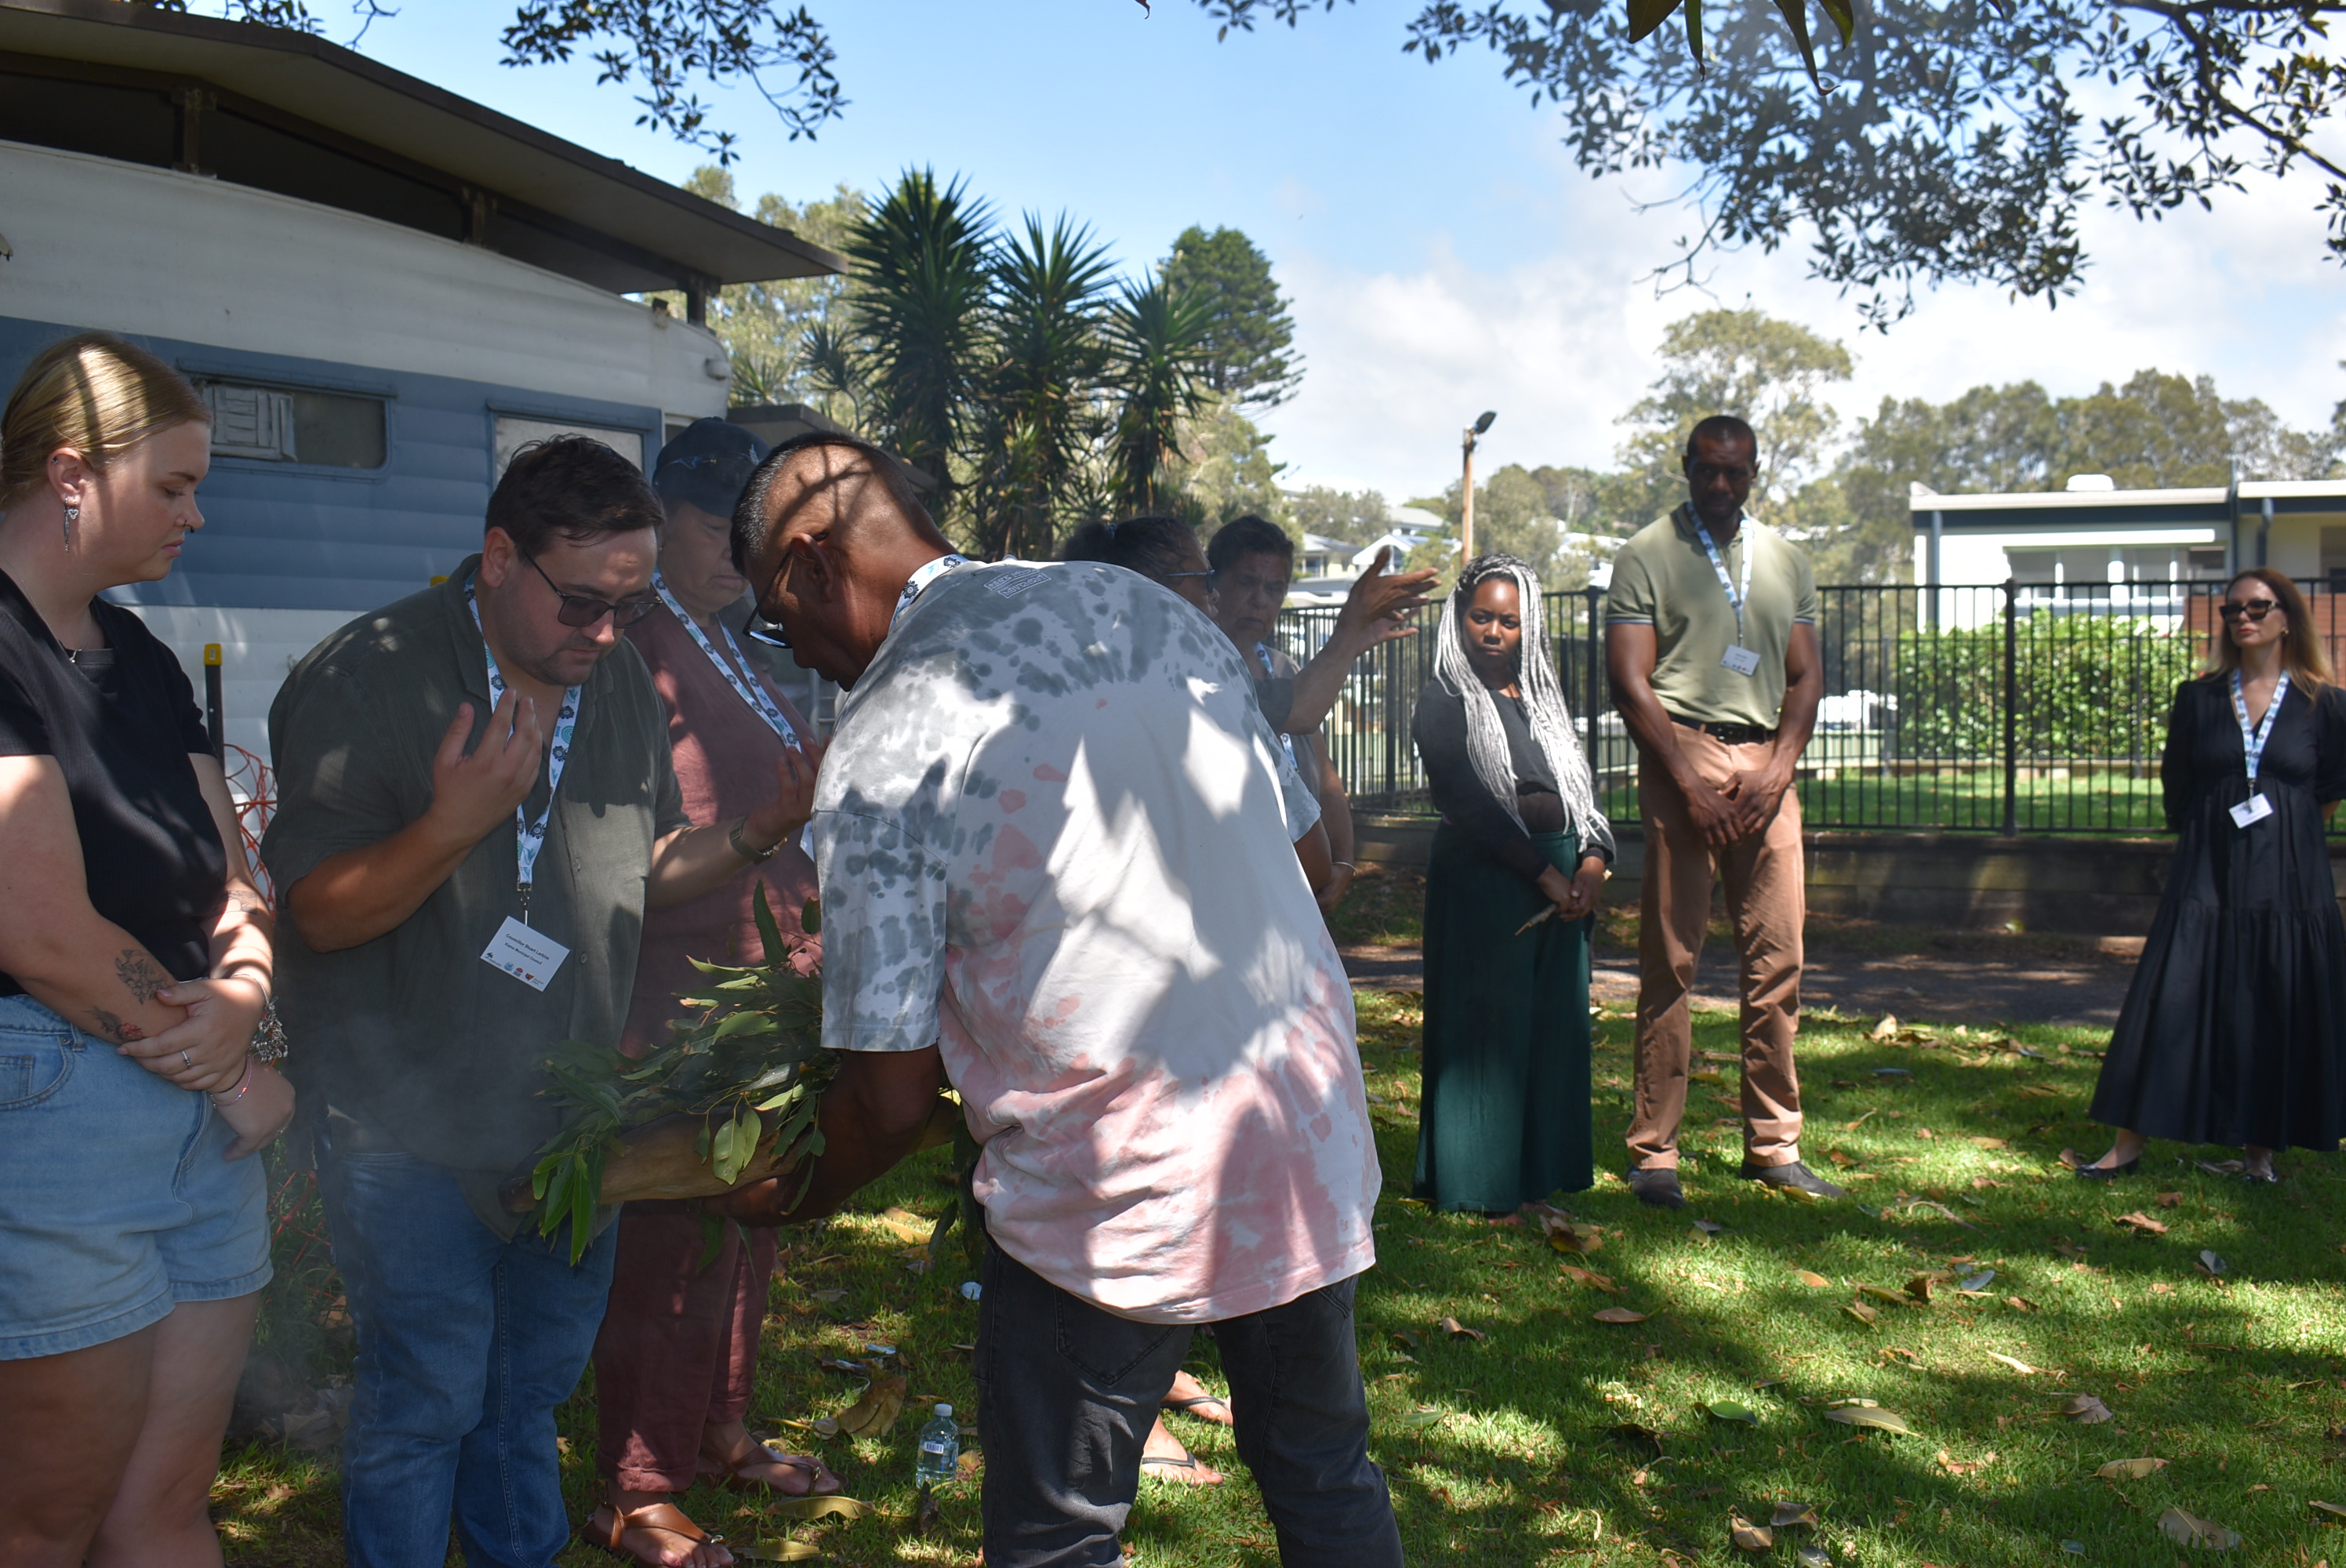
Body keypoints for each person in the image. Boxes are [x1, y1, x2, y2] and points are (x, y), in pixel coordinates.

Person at [718, 434, 1403, 1568]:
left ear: (811, 564)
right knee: (1326, 1475)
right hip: (1299, 1131)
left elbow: (889, 1097)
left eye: (778, 622)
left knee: (1059, 1537)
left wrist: (782, 1194)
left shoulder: (888, 736)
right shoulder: (1154, 613)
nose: (801, 655)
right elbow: (1311, 860)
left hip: (1109, 1188)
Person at [262, 436, 820, 1568]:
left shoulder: (612, 680)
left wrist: (757, 833)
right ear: (498, 557)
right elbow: (319, 913)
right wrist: (452, 825)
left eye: (630, 605)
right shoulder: (368, 675)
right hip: (403, 1121)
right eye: (582, 602)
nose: (607, 633)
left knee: (525, 1395)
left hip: (568, 1119)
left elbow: (636, 866)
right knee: (426, 1398)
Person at [0, 332, 293, 1567]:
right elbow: (40, 929)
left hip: (195, 1111)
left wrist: (249, 988)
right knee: (43, 1524)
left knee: (167, 1506)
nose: (196, 514)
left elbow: (233, 875)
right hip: (58, 1108)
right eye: (173, 486)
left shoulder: (142, 658)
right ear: (72, 474)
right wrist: (227, 1062)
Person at [589, 419, 840, 1568]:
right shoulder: (632, 648)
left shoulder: (731, 639)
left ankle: (719, 1426)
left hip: (759, 989)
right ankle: (637, 1486)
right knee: (671, 1241)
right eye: (710, 526)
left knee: (748, 1222)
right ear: (658, 521)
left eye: (751, 532)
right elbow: (626, 848)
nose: (737, 553)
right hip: (678, 998)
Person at [1603, 415, 1834, 1210]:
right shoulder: (1646, 553)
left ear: (1754, 472)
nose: (1721, 485)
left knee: (1778, 960)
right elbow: (1628, 680)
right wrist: (1689, 785)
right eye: (1708, 470)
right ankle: (1655, 1152)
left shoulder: (1785, 559)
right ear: (1686, 467)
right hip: (1684, 753)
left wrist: (1780, 770)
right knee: (1672, 961)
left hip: (1768, 764)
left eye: (1736, 472)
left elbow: (1805, 676)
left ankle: (1773, 1145)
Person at [2082, 568, 2346, 1184]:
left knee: (2275, 999)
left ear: (2288, 617)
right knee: (2173, 992)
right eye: (2232, 609)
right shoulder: (2198, 698)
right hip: (2208, 871)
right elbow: (2179, 785)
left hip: (2289, 879)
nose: (2243, 618)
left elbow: (2329, 793)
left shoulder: (2326, 704)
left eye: (2258, 607)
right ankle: (2127, 1144)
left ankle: (2260, 1153)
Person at [1410, 554, 1612, 1213]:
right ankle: (1478, 1186)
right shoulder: (1442, 700)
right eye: (1482, 617)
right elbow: (1466, 803)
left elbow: (1581, 790)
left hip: (1561, 880)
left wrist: (1591, 862)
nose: (1494, 632)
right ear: (1459, 619)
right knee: (1486, 1030)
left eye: (1510, 622)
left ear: (1530, 628)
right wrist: (1544, 875)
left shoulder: (1543, 700)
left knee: (1550, 1031)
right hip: (1486, 876)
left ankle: (1535, 1180)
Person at [1208, 514, 1437, 909]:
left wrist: (1343, 861)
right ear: (1213, 584)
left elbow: (1326, 778)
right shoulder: (1202, 670)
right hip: (1237, 887)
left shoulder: (1285, 669)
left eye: (1274, 587)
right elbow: (1300, 712)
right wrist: (1349, 632)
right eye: (1246, 582)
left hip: (1300, 895)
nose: (1260, 599)